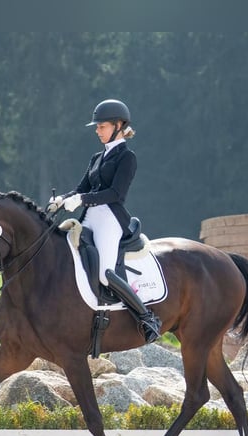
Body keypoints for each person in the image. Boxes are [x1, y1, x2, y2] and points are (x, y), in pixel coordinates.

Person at [48, 99, 161, 344]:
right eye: (97, 127)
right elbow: (81, 188)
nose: (97, 131)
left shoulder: (127, 158)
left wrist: (80, 199)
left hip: (110, 218)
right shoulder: (96, 158)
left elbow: (115, 194)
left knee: (104, 272)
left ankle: (146, 317)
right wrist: (61, 200)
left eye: (102, 126)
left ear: (119, 126)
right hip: (89, 217)